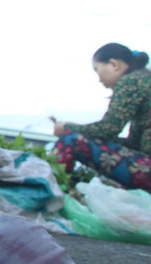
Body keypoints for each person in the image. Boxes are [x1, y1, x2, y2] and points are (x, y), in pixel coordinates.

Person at [52, 43, 151, 192]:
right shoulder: (143, 78)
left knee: (70, 139)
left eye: (97, 70)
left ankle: (51, 193)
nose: (99, 79)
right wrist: (83, 132)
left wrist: (68, 128)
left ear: (113, 64)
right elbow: (132, 144)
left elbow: (109, 128)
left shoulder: (131, 81)